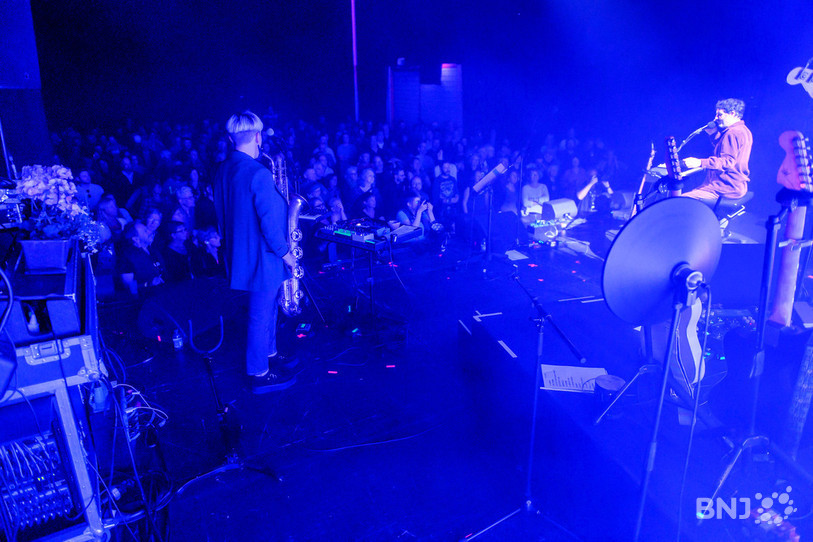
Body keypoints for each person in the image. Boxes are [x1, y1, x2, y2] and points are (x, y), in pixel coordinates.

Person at [214, 111, 297, 394]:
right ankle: (259, 373)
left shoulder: (224, 169)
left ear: (230, 138)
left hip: (242, 254)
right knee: (260, 314)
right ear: (259, 137)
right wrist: (287, 254)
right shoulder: (258, 173)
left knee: (269, 309)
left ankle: (270, 354)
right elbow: (270, 224)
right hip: (263, 257)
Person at [682, 98, 752, 201]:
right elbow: (727, 150)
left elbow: (727, 161)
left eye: (720, 115)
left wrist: (699, 162)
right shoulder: (744, 130)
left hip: (725, 187)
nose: (715, 118)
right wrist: (714, 134)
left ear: (732, 113)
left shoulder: (733, 133)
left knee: (680, 200)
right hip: (736, 186)